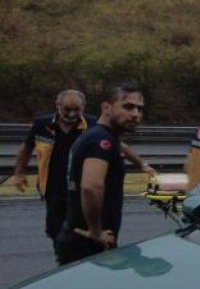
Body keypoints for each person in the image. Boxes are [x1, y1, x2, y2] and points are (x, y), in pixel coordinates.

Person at [13, 89, 156, 251]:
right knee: (57, 234)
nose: (72, 114)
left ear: (84, 107)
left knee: (89, 236)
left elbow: (118, 145)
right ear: (57, 105)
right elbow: (26, 148)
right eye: (67, 109)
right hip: (53, 189)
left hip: (79, 189)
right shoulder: (41, 124)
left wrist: (141, 163)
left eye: (77, 110)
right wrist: (19, 172)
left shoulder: (93, 124)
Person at [55, 84, 145, 265]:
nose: (135, 114)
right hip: (88, 243)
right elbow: (91, 187)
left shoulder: (100, 136)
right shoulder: (101, 140)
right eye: (128, 106)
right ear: (106, 108)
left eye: (139, 109)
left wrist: (143, 165)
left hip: (82, 238)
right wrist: (96, 231)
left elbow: (120, 147)